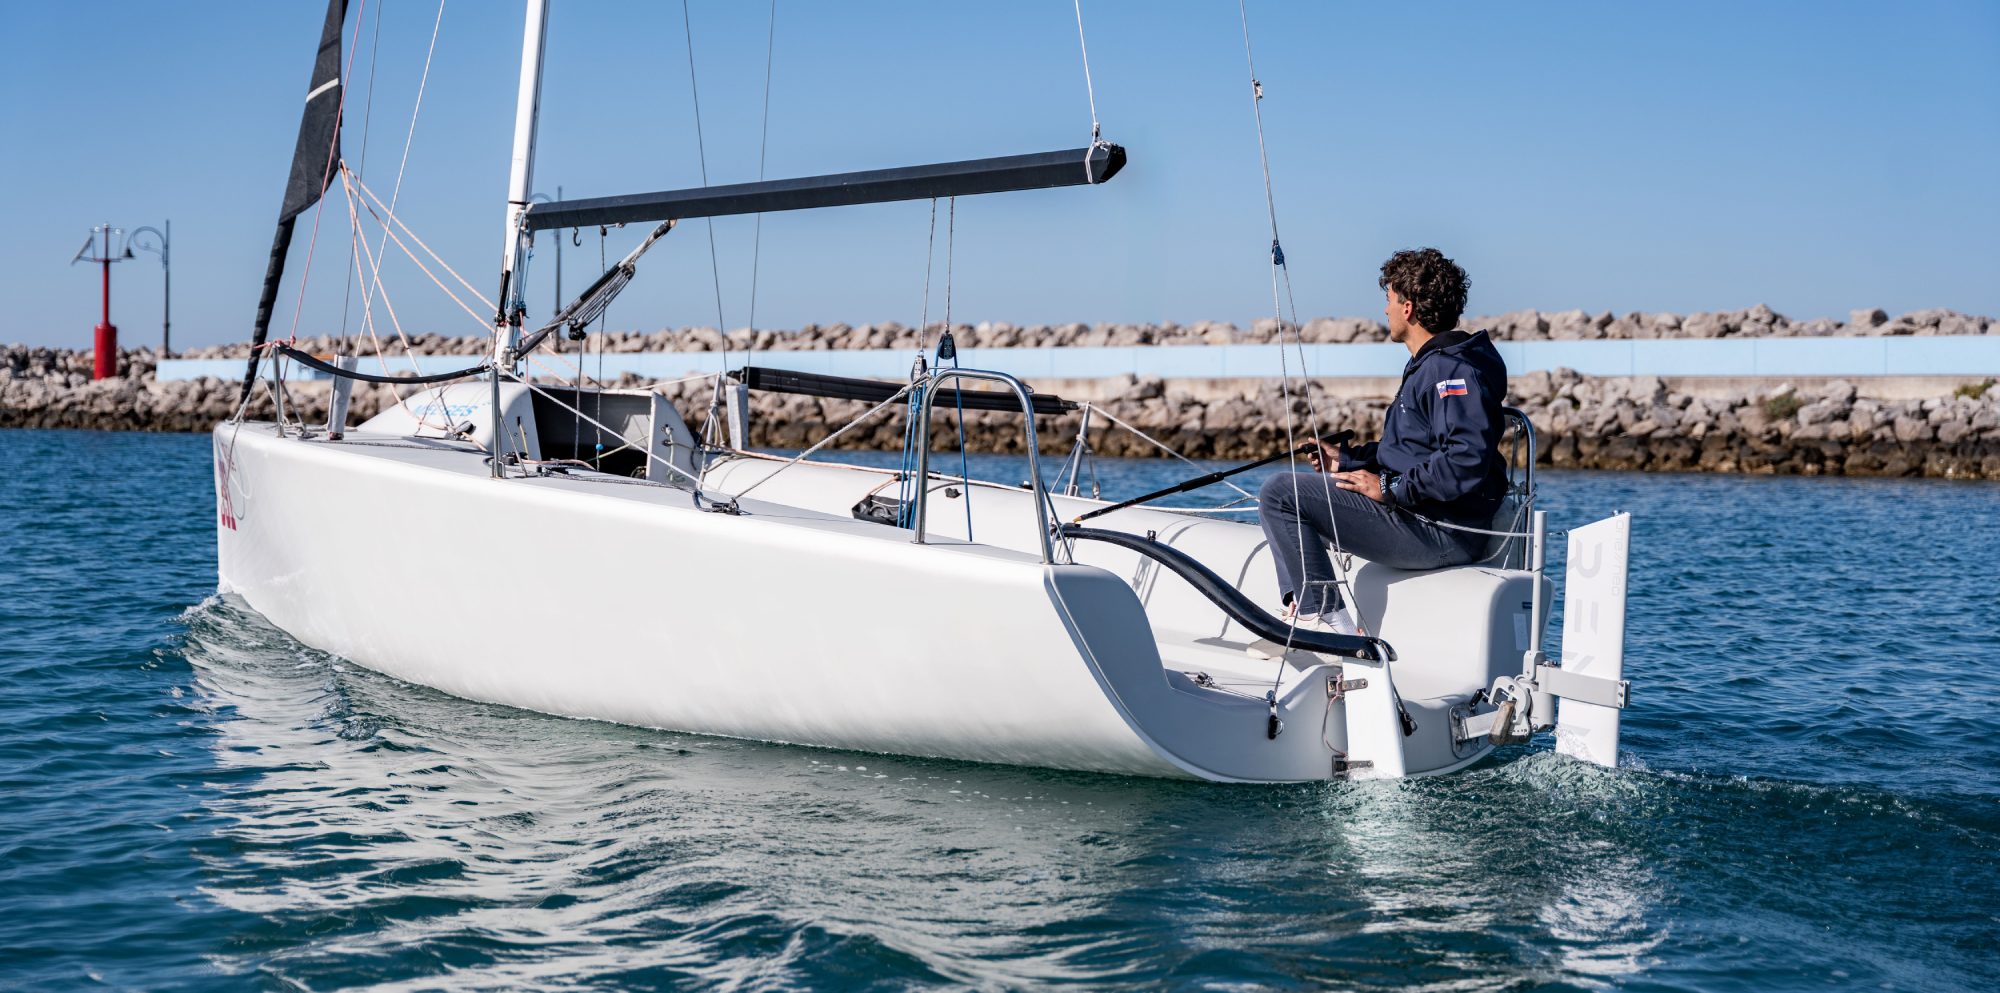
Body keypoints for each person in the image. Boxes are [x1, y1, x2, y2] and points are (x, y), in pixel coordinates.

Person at [1255, 247, 1509, 640]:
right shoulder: (1434, 364)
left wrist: (1389, 488)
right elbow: (1412, 450)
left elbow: (1465, 458)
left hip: (1440, 529)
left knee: (1279, 493)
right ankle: (1305, 610)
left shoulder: (1450, 370)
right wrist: (1350, 460)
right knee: (1290, 494)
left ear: (1407, 308)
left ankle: (1325, 623)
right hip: (1426, 517)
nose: (1385, 311)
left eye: (1388, 300)